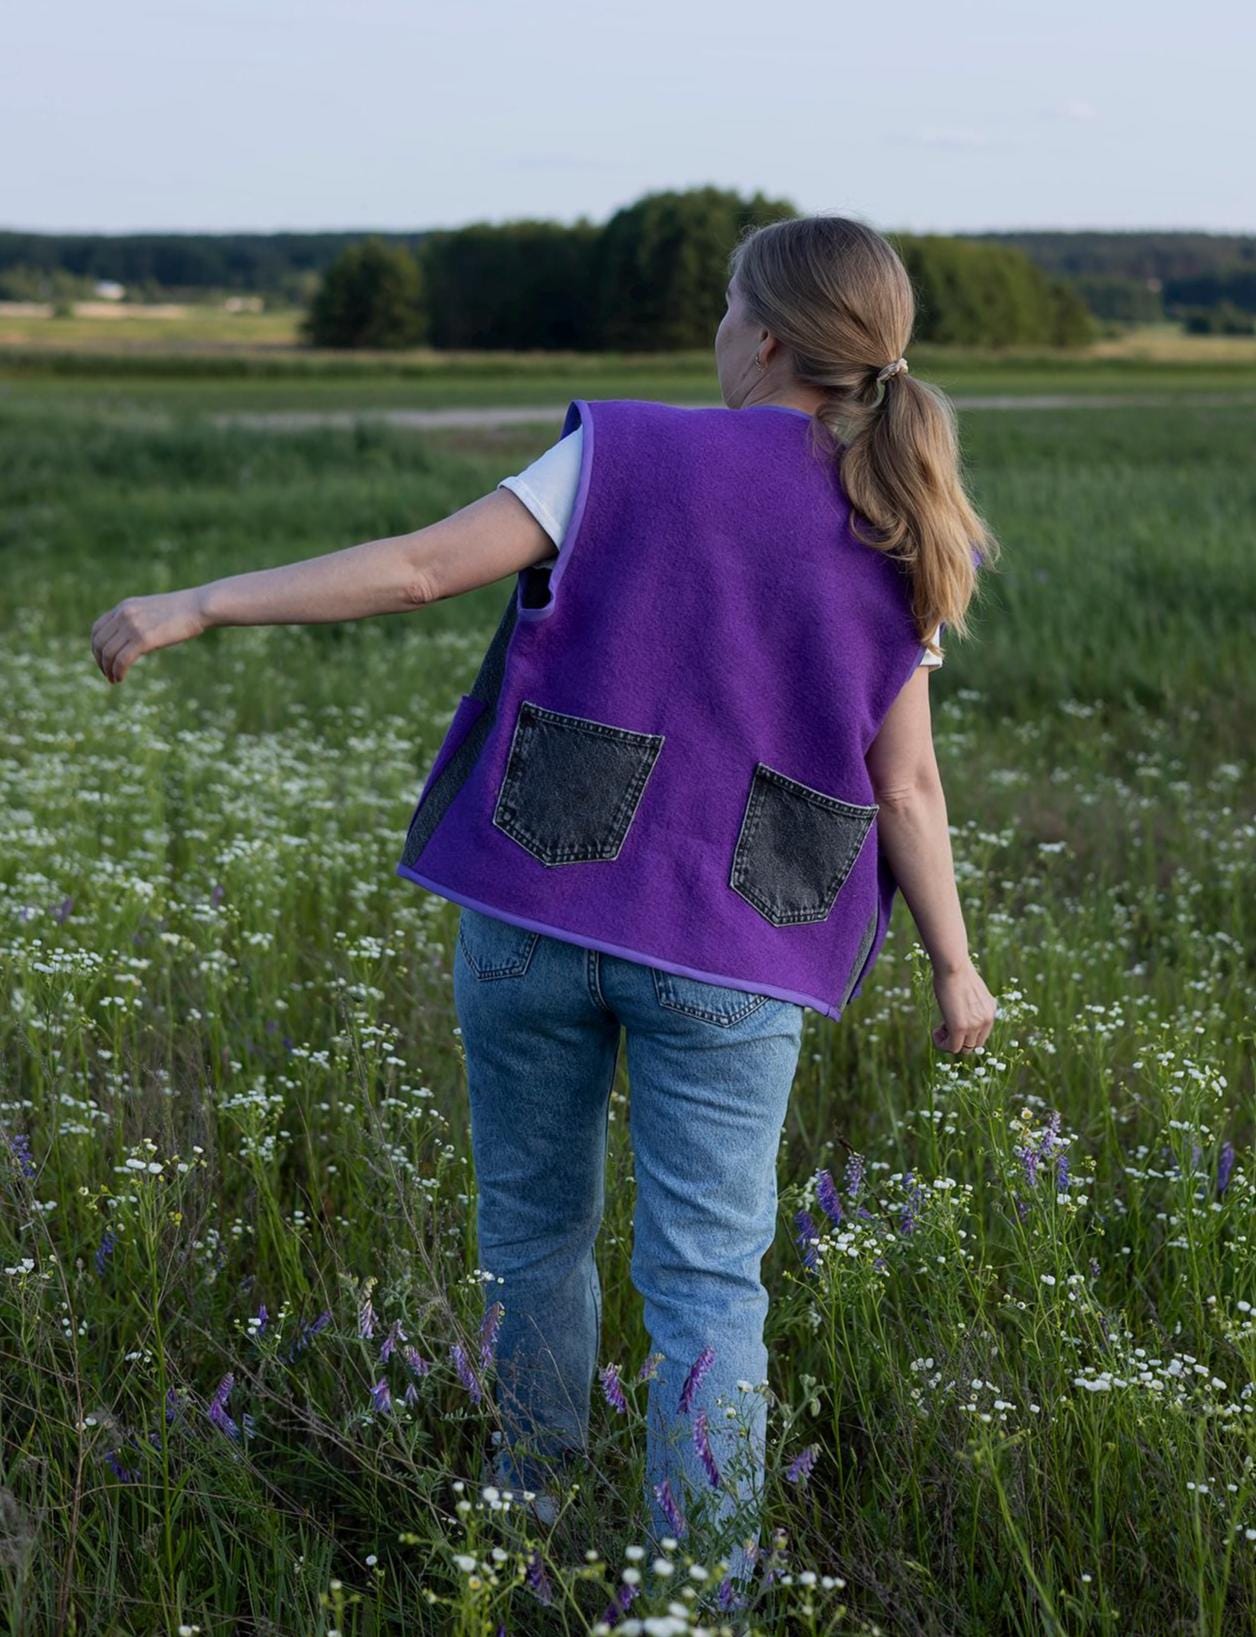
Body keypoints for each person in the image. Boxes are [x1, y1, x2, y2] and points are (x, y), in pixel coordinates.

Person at [90, 213, 1000, 1592]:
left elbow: (411, 568)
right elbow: (911, 780)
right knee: (707, 1284)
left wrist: (203, 601)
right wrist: (954, 966)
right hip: (743, 937)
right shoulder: (900, 514)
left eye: (724, 307)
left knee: (532, 1247)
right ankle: (694, 1600)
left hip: (541, 898)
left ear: (762, 338)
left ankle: (523, 1530)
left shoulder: (623, 450)